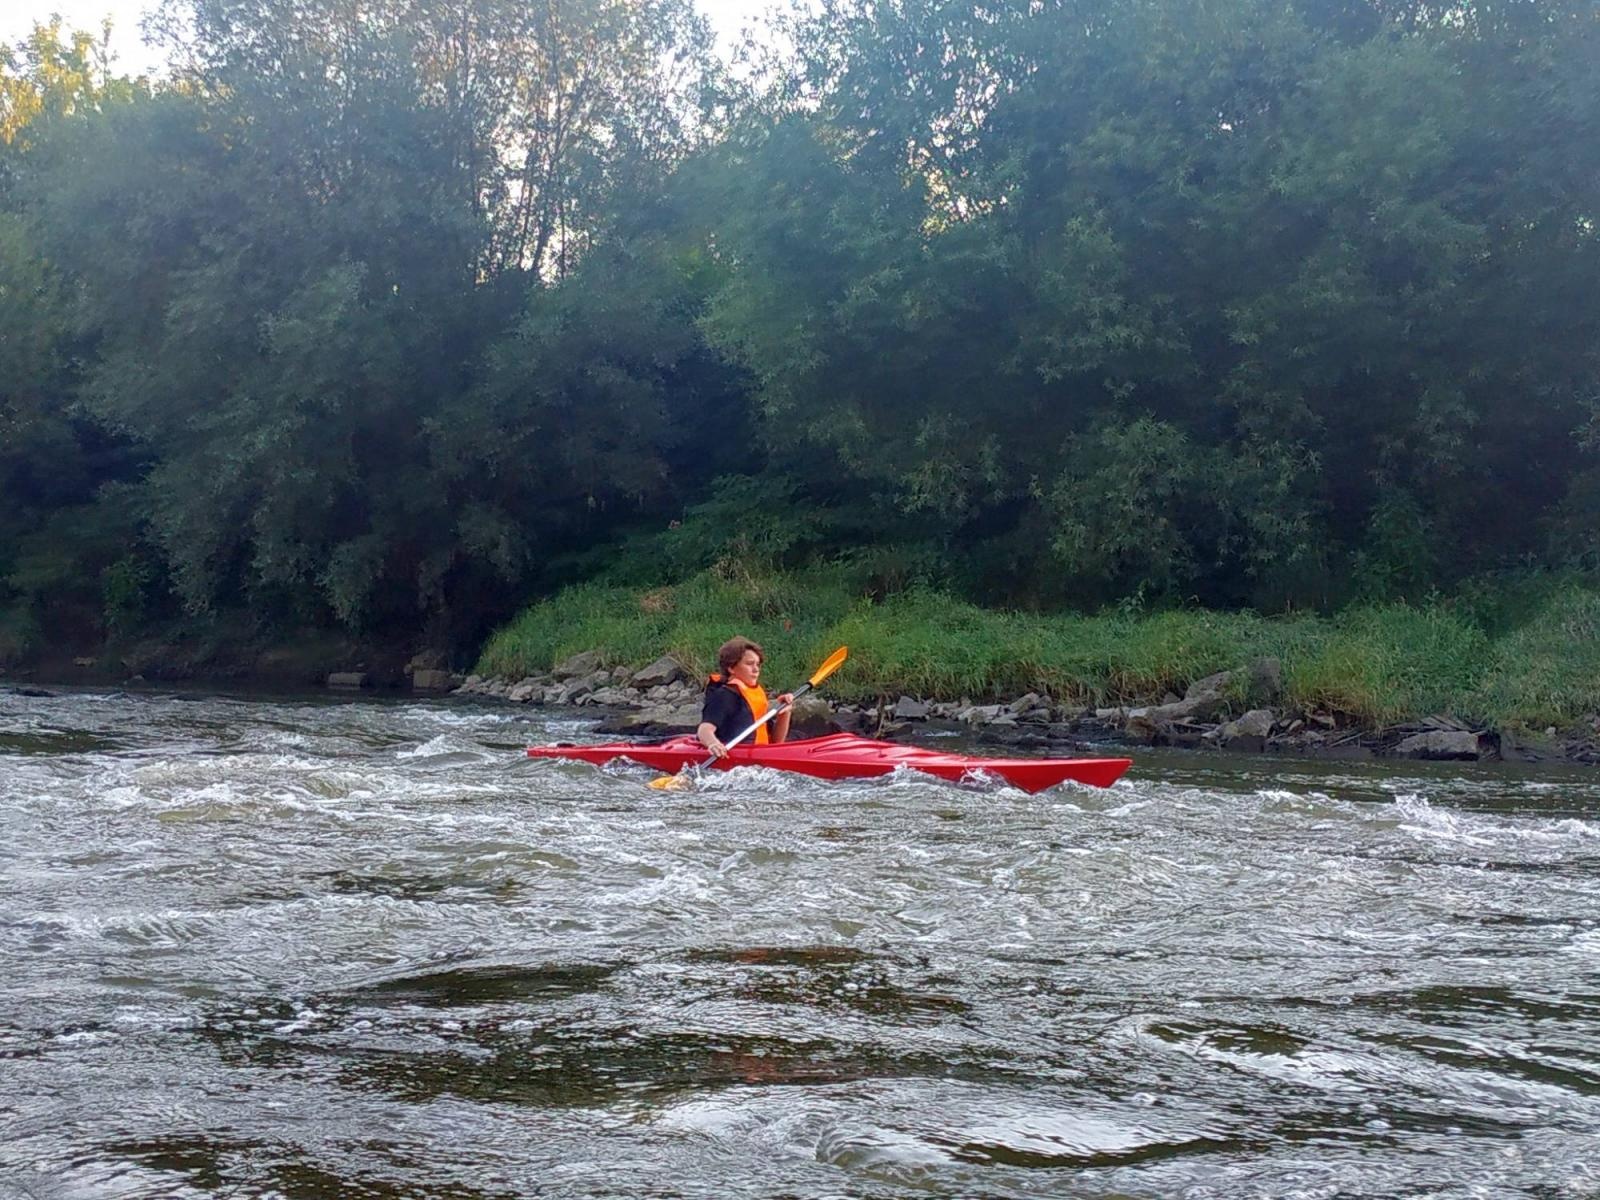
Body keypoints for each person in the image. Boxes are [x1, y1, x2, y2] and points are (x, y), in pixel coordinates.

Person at [697, 636, 793, 758]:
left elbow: (776, 741)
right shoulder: (724, 695)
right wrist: (714, 744)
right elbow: (704, 729)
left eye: (758, 664)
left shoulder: (754, 697)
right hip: (734, 757)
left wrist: (784, 712)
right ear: (731, 668)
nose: (756, 669)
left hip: (760, 756)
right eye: (749, 664)